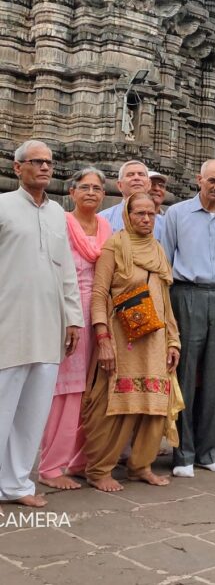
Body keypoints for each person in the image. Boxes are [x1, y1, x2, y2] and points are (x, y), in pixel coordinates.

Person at [0, 140, 83, 512]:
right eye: (36, 162)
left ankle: (16, 484)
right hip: (8, 324)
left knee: (32, 412)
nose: (45, 168)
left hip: (49, 326)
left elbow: (66, 270)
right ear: (18, 169)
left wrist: (74, 319)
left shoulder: (56, 214)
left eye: (49, 162)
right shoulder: (3, 208)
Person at [83, 192, 180, 491]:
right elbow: (99, 294)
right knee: (117, 403)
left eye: (151, 213)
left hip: (155, 339)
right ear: (127, 214)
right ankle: (99, 470)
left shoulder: (158, 249)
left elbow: (165, 299)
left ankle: (141, 466)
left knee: (154, 403)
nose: (146, 219)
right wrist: (103, 339)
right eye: (139, 213)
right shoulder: (115, 246)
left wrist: (174, 340)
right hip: (122, 338)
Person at [162, 159, 215, 476]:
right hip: (187, 295)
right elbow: (165, 264)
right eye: (213, 181)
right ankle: (183, 454)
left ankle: (209, 452)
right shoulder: (177, 214)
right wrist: (168, 314)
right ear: (199, 180)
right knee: (185, 375)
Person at [38, 168, 112, 490]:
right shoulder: (61, 223)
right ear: (72, 193)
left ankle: (81, 459)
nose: (92, 193)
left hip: (99, 312)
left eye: (97, 188)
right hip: (68, 311)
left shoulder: (106, 226)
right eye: (85, 187)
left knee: (93, 388)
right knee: (66, 390)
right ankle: (51, 466)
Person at [101, 160, 163, 239]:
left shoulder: (163, 224)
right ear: (120, 185)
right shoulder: (104, 219)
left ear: (149, 184)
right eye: (130, 175)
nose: (136, 178)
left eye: (141, 174)